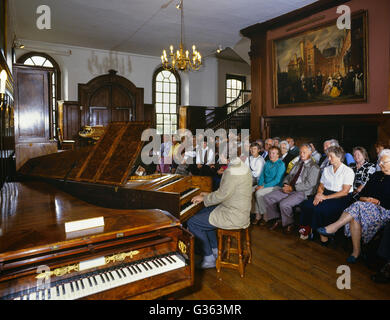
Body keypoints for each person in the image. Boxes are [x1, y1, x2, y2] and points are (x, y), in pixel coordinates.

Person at [317, 152, 390, 263]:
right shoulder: (376, 175)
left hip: (384, 210)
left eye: (383, 162)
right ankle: (356, 252)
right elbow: (361, 194)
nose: (380, 164)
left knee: (356, 208)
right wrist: (365, 199)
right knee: (355, 216)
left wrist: (378, 202)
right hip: (364, 206)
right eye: (379, 161)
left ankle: (334, 228)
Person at [187, 157, 252, 268]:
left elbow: (222, 195)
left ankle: (209, 258)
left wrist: (204, 198)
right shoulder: (243, 167)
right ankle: (215, 249)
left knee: (192, 222)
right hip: (241, 211)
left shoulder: (231, 172)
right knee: (205, 211)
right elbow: (227, 192)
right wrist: (207, 195)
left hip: (232, 215)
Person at [299, 146, 354, 244]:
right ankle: (306, 230)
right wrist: (318, 195)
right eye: (328, 156)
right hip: (326, 194)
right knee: (306, 205)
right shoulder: (327, 169)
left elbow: (345, 192)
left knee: (320, 209)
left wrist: (325, 197)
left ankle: (323, 236)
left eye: (331, 157)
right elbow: (321, 186)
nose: (328, 159)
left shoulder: (348, 171)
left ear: (339, 157)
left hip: (341, 197)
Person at [263, 144, 320, 233]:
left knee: (284, 204)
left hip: (303, 192)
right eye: (300, 152)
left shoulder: (314, 167)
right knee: (268, 197)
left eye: (304, 152)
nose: (301, 154)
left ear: (310, 153)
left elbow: (310, 184)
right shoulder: (298, 163)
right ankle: (277, 219)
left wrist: (292, 188)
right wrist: (285, 183)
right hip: (290, 188)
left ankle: (289, 223)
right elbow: (289, 176)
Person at [253, 146, 285, 224]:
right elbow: (262, 176)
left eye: (274, 153)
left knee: (259, 193)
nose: (271, 155)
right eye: (270, 153)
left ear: (278, 155)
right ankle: (257, 215)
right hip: (264, 184)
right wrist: (259, 185)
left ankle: (265, 216)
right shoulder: (267, 162)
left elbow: (277, 180)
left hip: (275, 186)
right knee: (252, 190)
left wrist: (263, 187)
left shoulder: (281, 164)